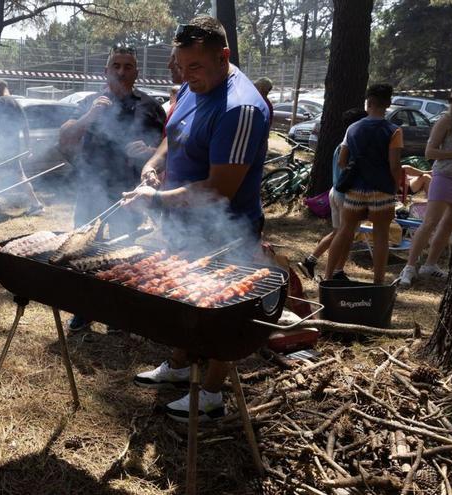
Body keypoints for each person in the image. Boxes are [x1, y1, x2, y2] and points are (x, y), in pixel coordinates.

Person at [123, 16, 270, 421]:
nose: (187, 77)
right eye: (181, 67)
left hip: (228, 229)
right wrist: (153, 165)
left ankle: (211, 396)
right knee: (185, 298)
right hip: (183, 219)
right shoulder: (192, 85)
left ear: (224, 56)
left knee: (224, 312)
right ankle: (181, 365)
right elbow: (174, 134)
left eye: (196, 67)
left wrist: (153, 200)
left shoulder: (240, 108)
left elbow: (218, 189)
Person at [58, 46, 166, 332]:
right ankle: (84, 309)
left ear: (136, 72)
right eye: (115, 66)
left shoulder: (151, 106)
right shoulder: (92, 102)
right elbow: (64, 139)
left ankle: (119, 312)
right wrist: (89, 117)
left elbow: (169, 149)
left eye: (128, 66)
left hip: (128, 192)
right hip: (91, 189)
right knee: (82, 249)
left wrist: (149, 151)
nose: (121, 71)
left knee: (124, 250)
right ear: (106, 71)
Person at [399, 81, 452, 286]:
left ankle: (430, 265)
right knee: (430, 222)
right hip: (444, 176)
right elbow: (429, 153)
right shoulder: (446, 121)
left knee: (450, 224)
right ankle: (409, 267)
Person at [324, 83, 403, 285]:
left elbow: (342, 161)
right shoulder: (394, 131)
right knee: (381, 236)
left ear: (368, 102)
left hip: (355, 189)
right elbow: (395, 165)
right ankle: (377, 283)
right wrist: (395, 187)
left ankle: (327, 276)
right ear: (388, 103)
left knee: (344, 230)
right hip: (381, 190)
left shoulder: (353, 127)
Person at [301, 108, 368, 280]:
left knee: (339, 233)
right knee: (346, 235)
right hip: (347, 195)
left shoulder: (342, 145)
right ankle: (335, 272)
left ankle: (311, 261)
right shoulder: (352, 146)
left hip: (336, 192)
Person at [0, 95, 44, 215]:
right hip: (12, 147)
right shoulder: (15, 104)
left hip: (7, 149)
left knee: (19, 176)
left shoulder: (1, 102)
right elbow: (26, 128)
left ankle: (37, 205)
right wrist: (28, 146)